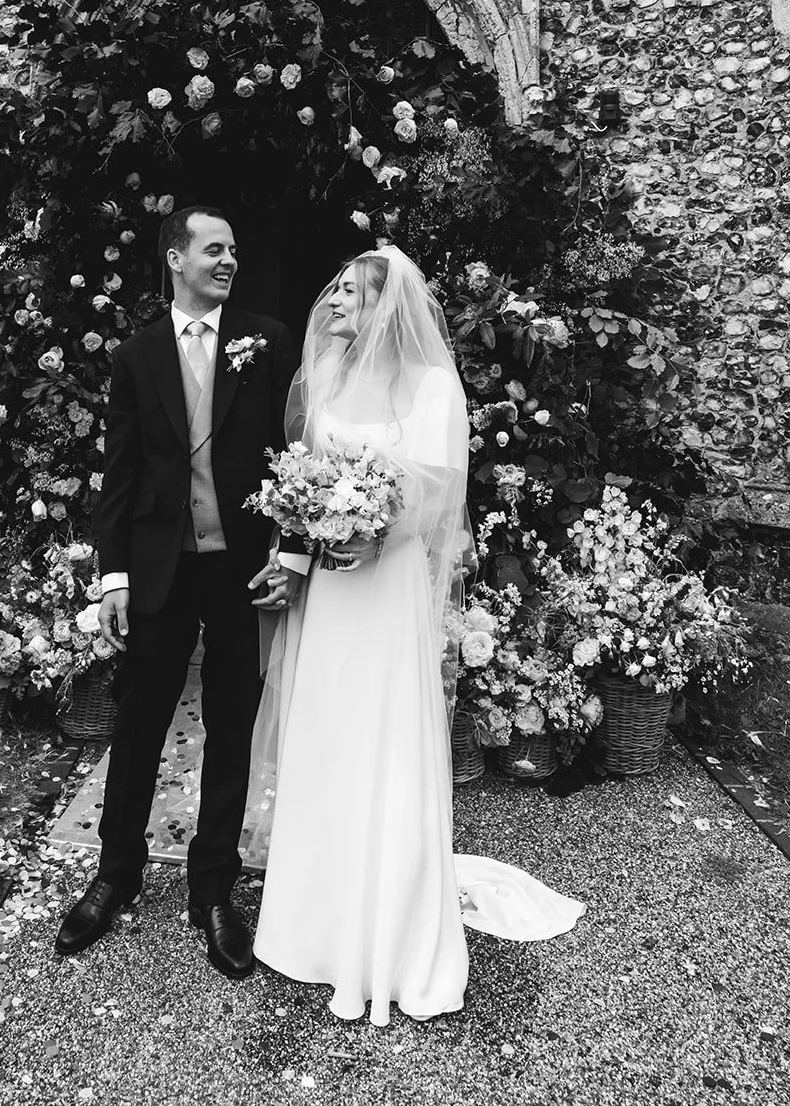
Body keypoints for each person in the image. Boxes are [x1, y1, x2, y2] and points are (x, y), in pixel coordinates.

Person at [250, 246, 585, 1025]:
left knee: (383, 738)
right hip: (330, 594)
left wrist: (375, 530)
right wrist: (306, 538)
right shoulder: (325, 379)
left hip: (386, 584)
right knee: (326, 732)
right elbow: (301, 473)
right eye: (331, 286)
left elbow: (437, 495)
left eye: (347, 292)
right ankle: (313, 923)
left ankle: (389, 931)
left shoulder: (432, 386)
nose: (330, 300)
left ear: (384, 306)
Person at [55, 206, 305, 977]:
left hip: (240, 574)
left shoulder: (266, 341)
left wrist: (291, 550)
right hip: (161, 571)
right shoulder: (135, 356)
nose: (228, 260)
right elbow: (121, 475)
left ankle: (213, 891)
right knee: (137, 728)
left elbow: (300, 453)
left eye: (234, 249)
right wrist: (114, 577)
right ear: (174, 258)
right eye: (213, 249)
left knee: (232, 728)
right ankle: (115, 874)